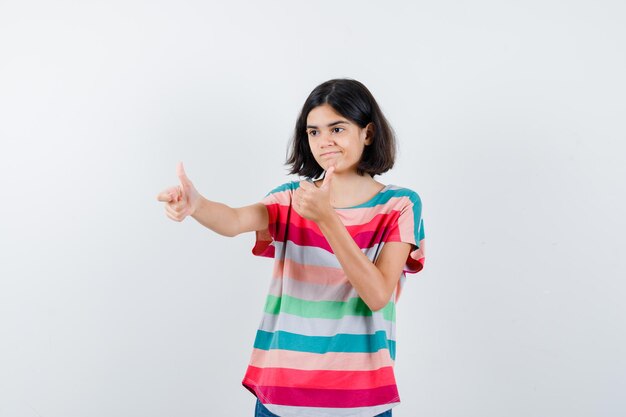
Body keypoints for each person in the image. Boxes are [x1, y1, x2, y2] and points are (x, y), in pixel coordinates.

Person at [156, 79, 426, 417]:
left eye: (337, 129)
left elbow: (377, 294)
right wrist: (197, 205)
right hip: (282, 395)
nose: (324, 141)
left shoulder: (399, 205)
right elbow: (236, 219)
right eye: (313, 132)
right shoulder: (291, 198)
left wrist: (327, 219)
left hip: (361, 399)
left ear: (367, 133)